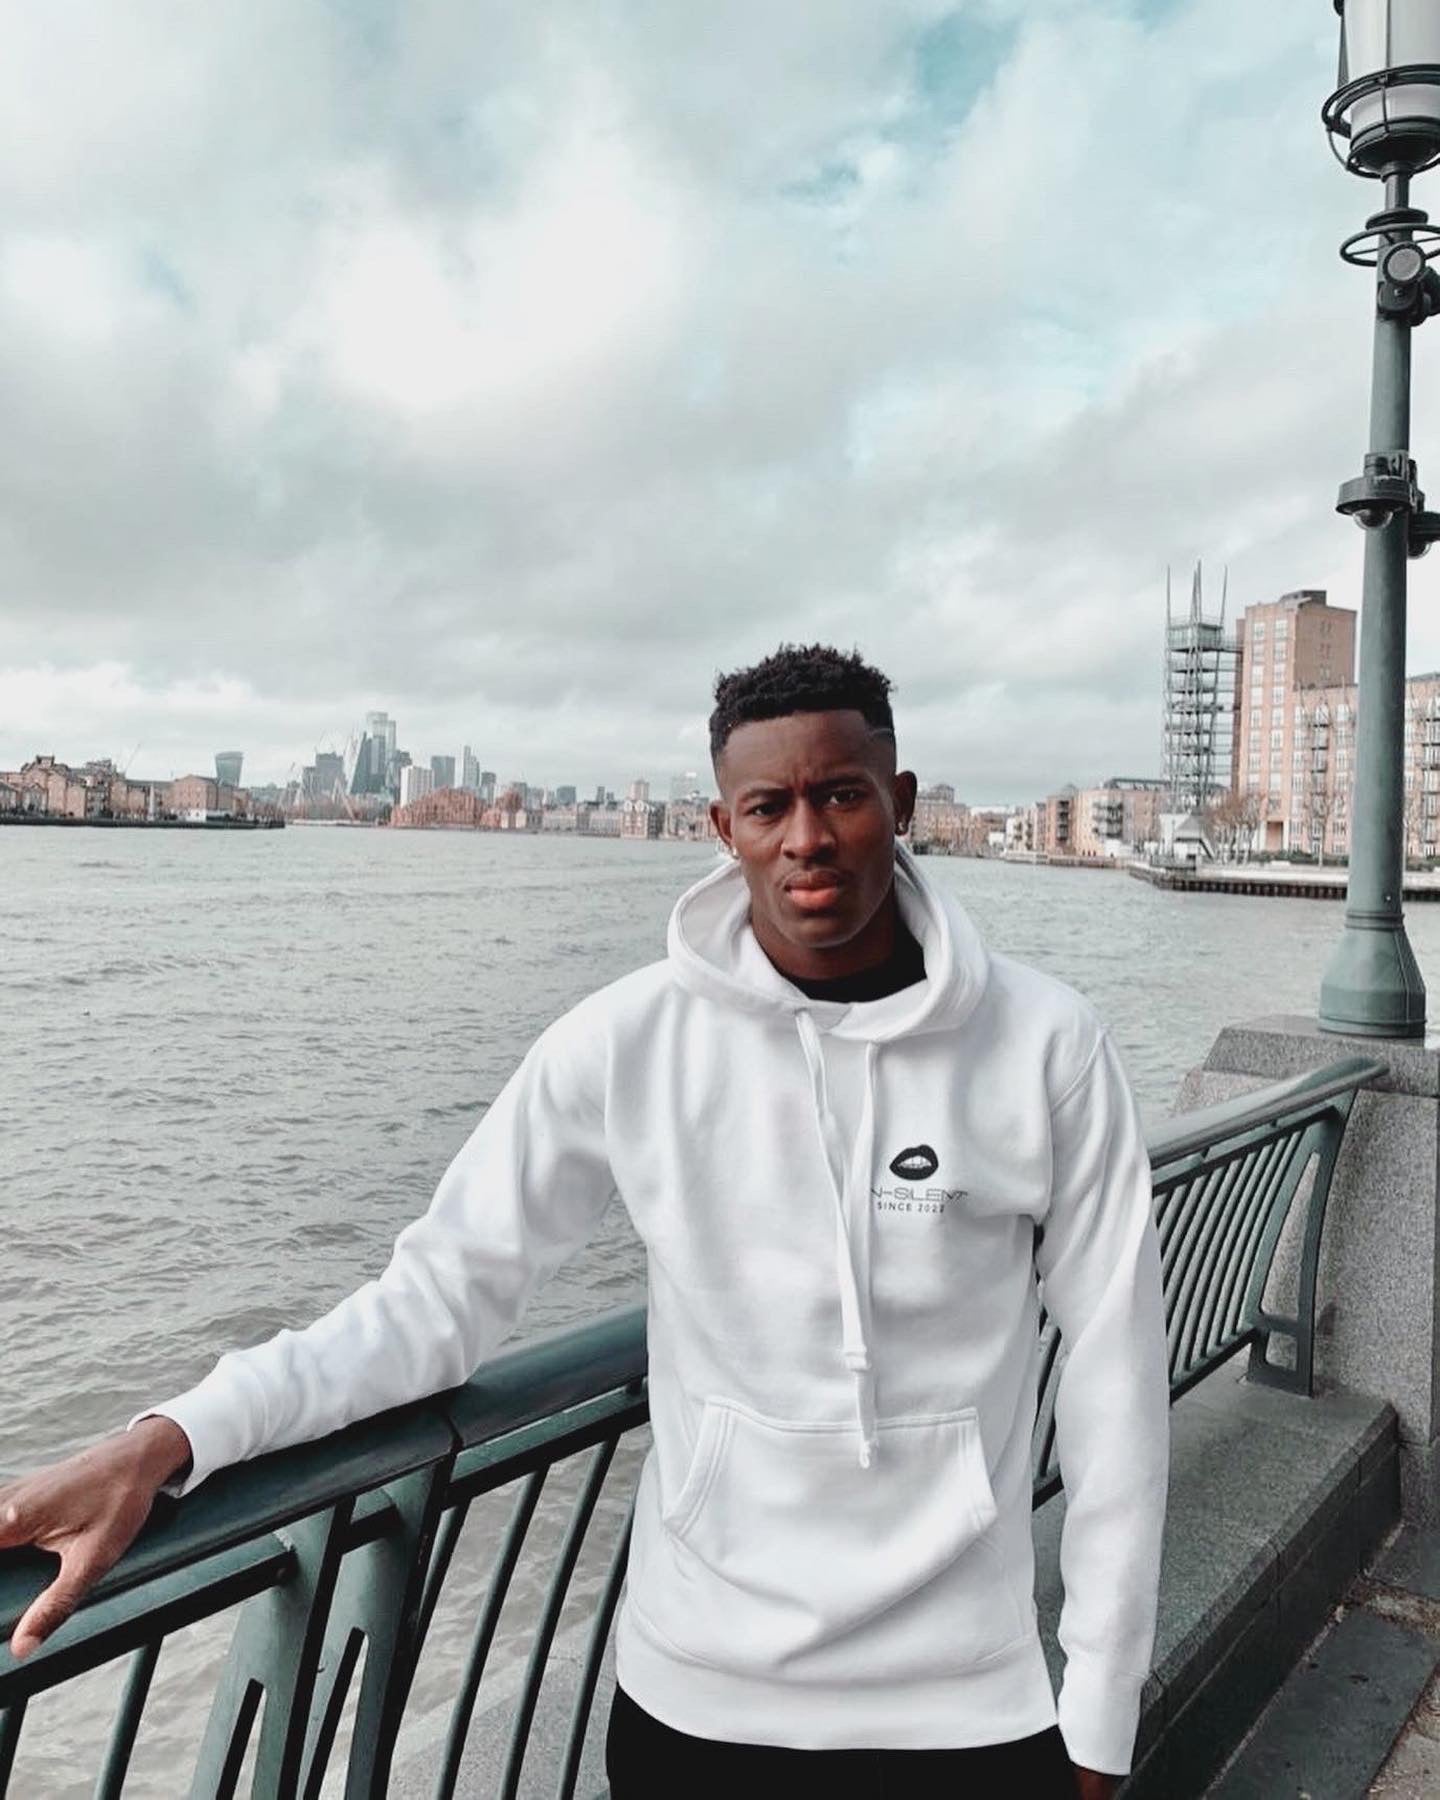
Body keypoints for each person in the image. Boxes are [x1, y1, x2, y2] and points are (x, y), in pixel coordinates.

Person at [1, 645, 1169, 1799]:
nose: (806, 837)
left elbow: (1114, 1374)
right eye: (769, 806)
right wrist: (173, 1438)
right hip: (701, 1698)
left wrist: (1103, 1706)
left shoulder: (1046, 1048)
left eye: (842, 796)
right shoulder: (624, 1044)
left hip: (966, 1702)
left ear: (899, 802)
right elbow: (437, 1302)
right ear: (723, 828)